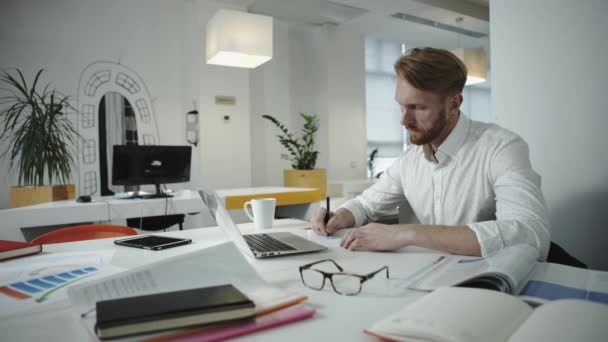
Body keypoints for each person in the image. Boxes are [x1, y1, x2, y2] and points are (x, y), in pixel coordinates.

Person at [311, 47, 551, 260]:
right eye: (402, 106)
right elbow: (365, 205)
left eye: (417, 107)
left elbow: (529, 235)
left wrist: (407, 233)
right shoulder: (410, 159)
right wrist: (339, 216)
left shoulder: (501, 147)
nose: (404, 121)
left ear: (454, 104)